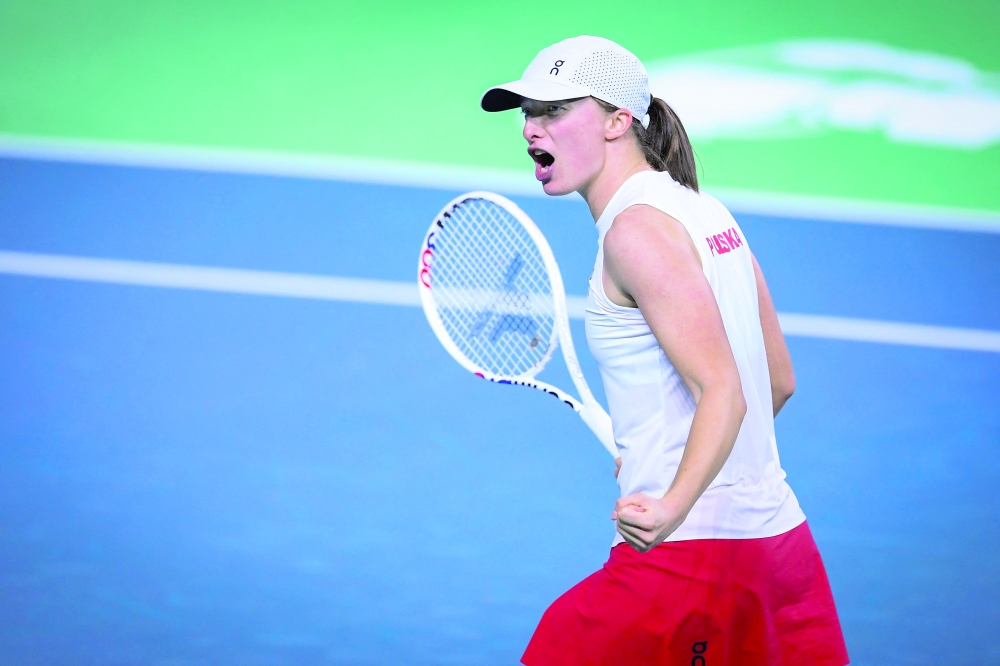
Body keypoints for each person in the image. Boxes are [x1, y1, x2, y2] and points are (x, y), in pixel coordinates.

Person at [480, 36, 850, 665]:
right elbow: (776, 381)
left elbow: (725, 390)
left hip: (689, 560)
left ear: (618, 121)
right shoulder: (705, 211)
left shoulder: (635, 233)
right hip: (780, 550)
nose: (530, 129)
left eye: (554, 111)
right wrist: (675, 451)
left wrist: (673, 501)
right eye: (527, 113)